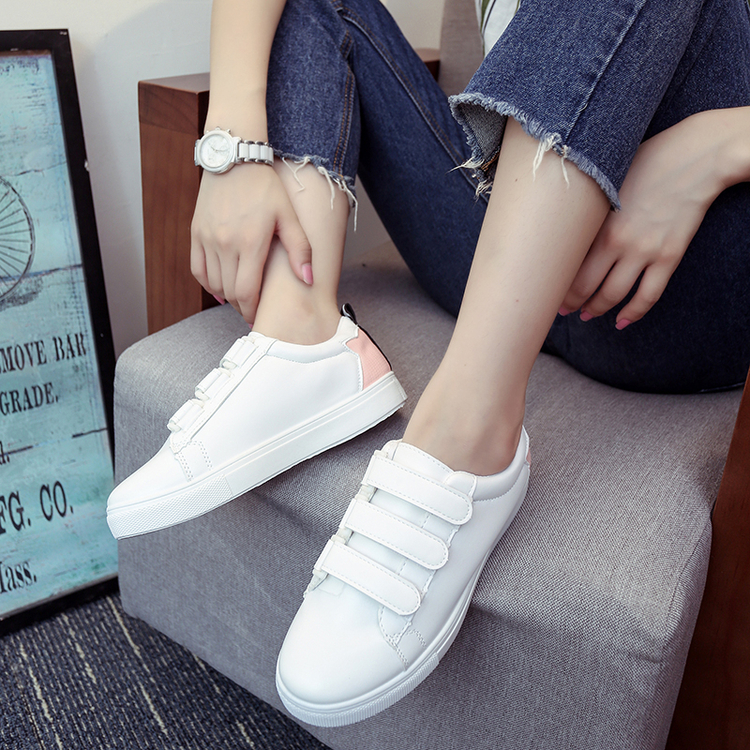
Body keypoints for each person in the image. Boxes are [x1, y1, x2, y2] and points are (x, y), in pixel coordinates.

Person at [108, 0, 750, 727]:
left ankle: (467, 431)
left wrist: (715, 148)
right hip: (507, 232)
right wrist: (233, 149)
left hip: (683, 270)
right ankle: (301, 336)